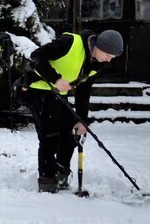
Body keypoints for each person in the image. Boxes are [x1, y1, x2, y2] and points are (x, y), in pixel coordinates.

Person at [17, 29, 124, 193]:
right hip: (36, 90)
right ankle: (47, 181)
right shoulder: (70, 43)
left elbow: (83, 92)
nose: (109, 60)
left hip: (58, 95)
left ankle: (61, 170)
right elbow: (37, 56)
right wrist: (56, 79)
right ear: (99, 46)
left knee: (72, 131)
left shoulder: (96, 64)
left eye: (112, 58)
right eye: (108, 55)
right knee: (49, 135)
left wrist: (82, 120)